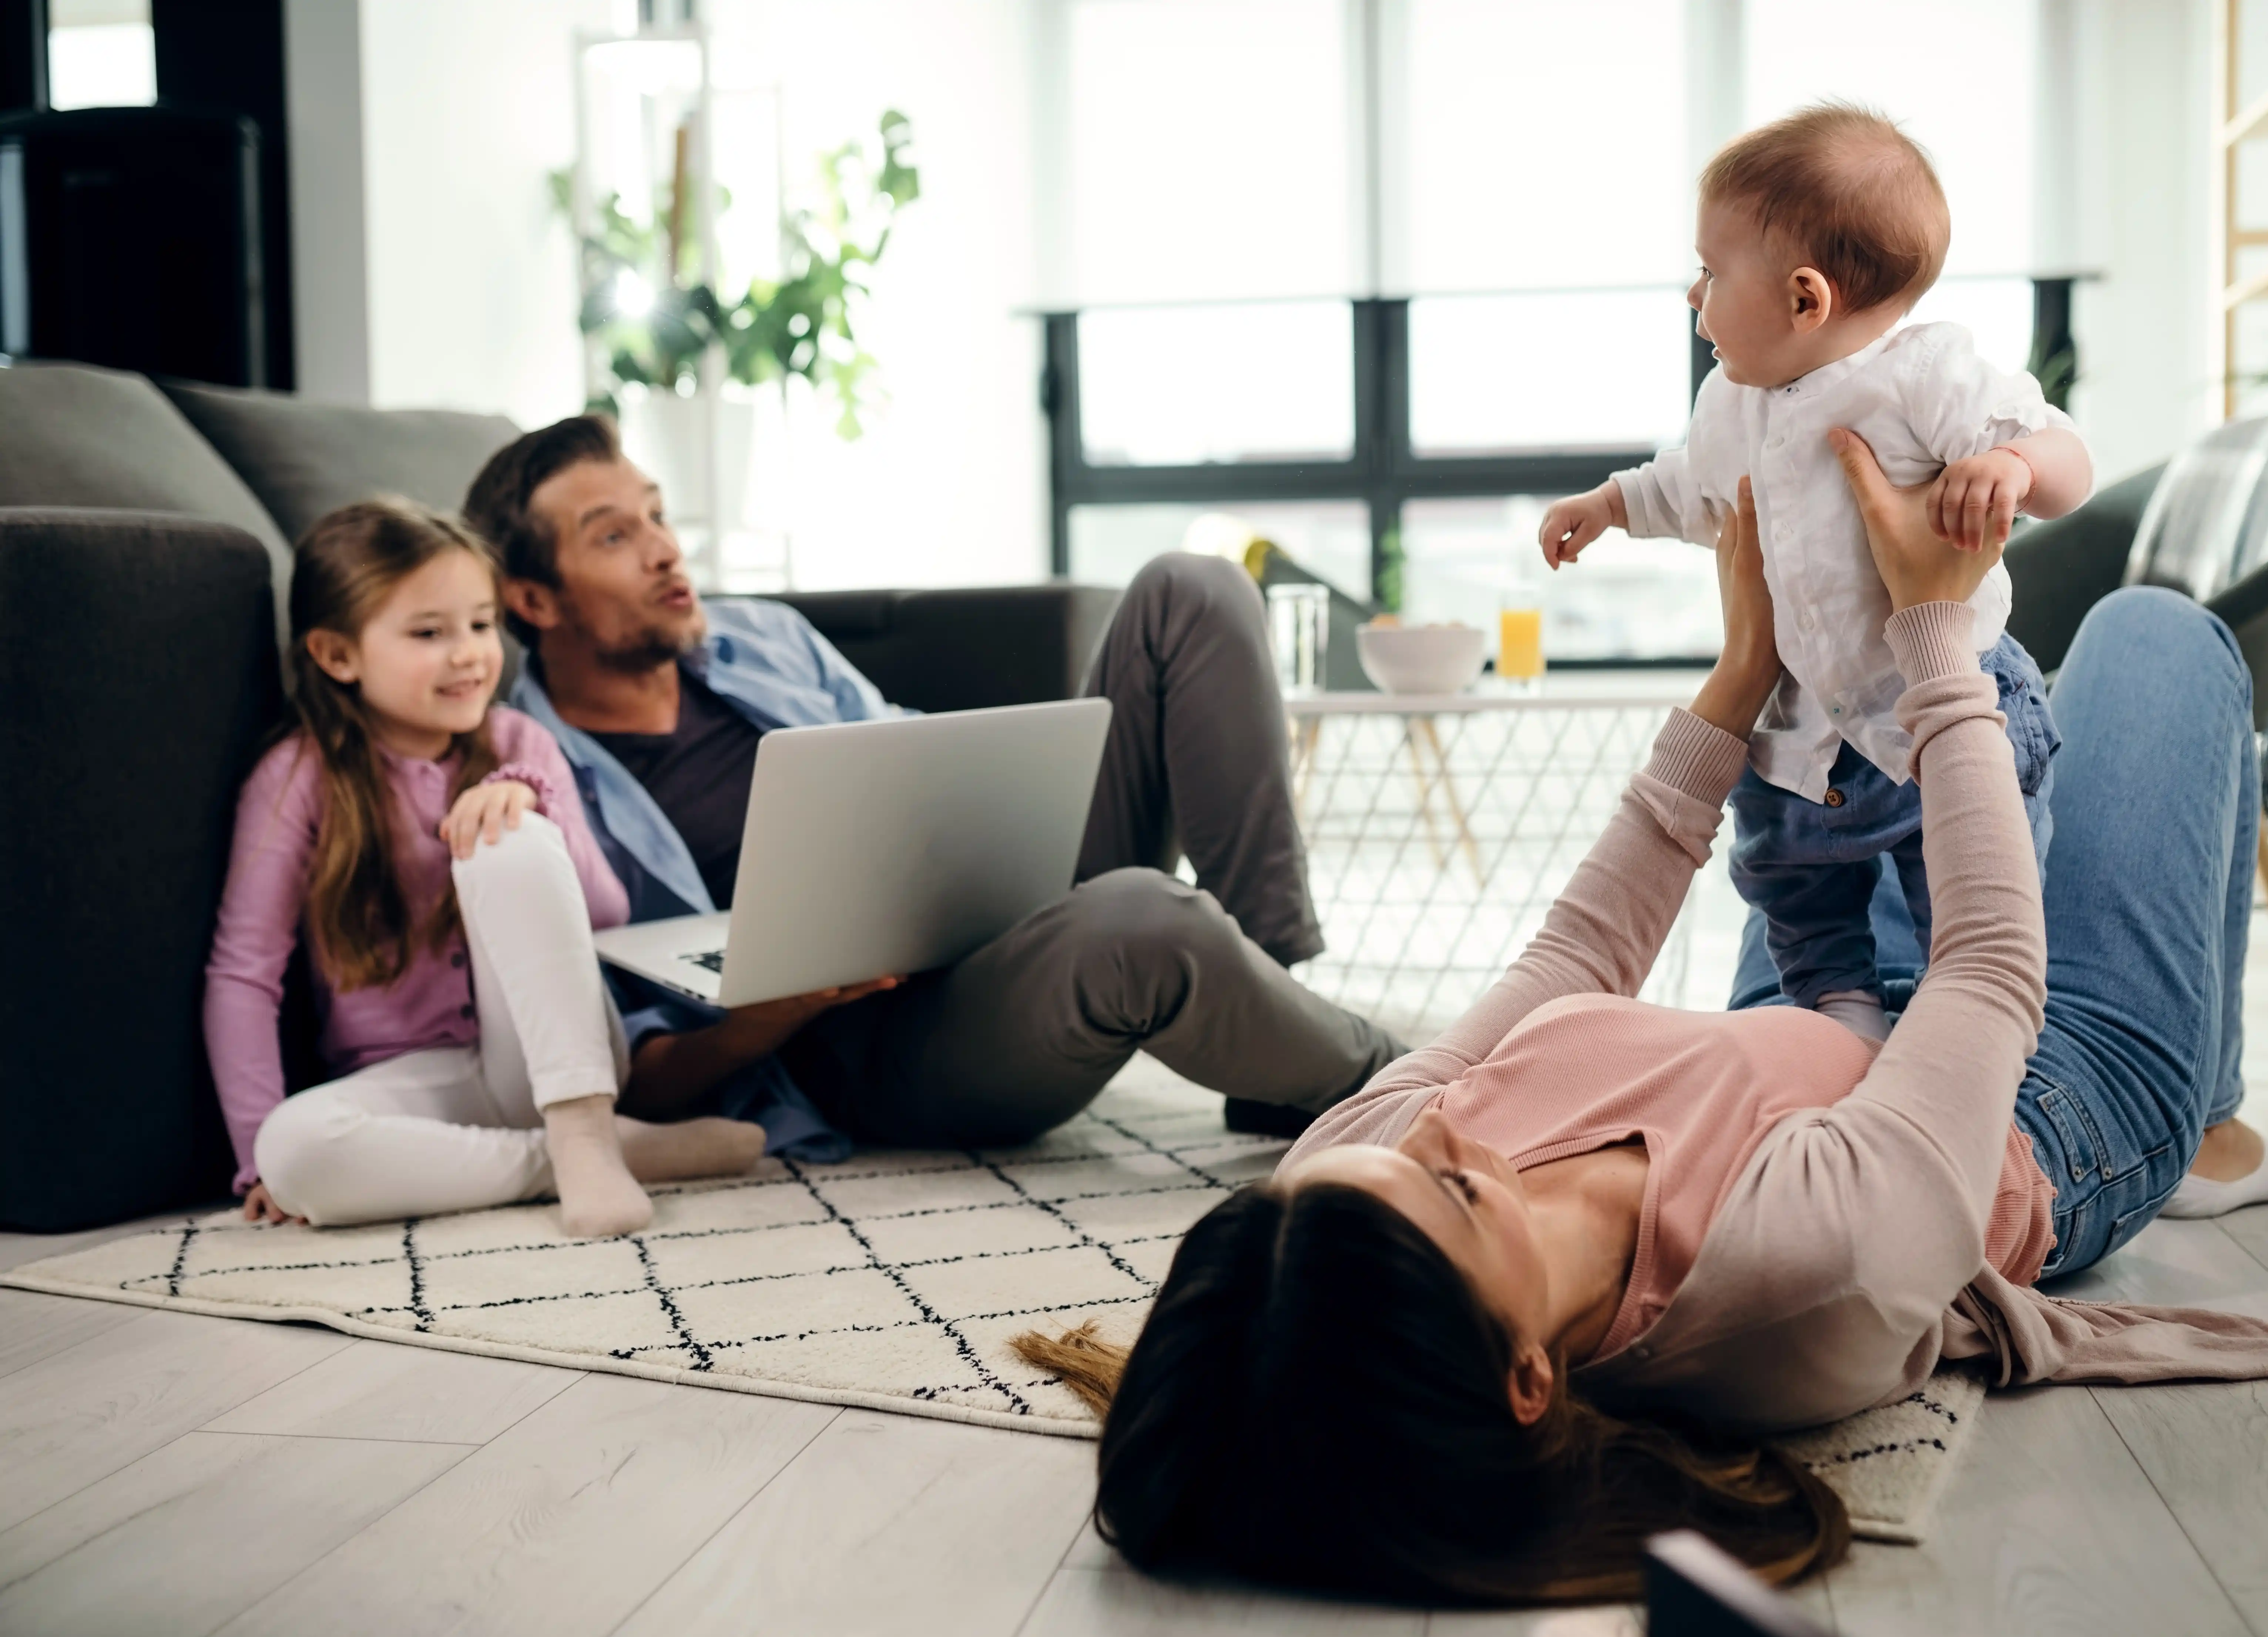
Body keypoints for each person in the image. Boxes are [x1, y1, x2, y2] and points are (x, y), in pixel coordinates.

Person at [1019, 435, 2268, 1606]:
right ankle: (2195, 1117)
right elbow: (1987, 977)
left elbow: (1576, 952)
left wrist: (1740, 677)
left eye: (1399, 1144)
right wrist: (1931, 643)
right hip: (2041, 1098)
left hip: (1803, 1012)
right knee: (2155, 641)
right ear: (1531, 1376)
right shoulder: (1810, 1286)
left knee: (1854, 674)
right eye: (1460, 1188)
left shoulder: (1353, 1177)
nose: (1447, 1115)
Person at [458, 415, 1400, 1159]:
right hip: (883, 1043)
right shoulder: (533, 777)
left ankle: (1276, 1002)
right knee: (1148, 922)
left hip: (980, 900)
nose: (665, 549)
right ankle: (1413, 1082)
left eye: (658, 515)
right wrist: (776, 1007)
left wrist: (993, 789)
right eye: (615, 536)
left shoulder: (763, 637)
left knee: (1192, 588)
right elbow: (636, 1076)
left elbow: (906, 754)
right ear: (533, 600)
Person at [1537, 103, 2093, 1047]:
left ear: (1806, 299)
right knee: (1782, 868)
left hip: (1945, 712)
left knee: (1958, 880)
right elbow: (1687, 486)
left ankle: (1957, 1017)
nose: (1692, 294)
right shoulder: (1732, 400)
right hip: (1807, 723)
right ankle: (1839, 1008)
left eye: (1711, 273)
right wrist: (1610, 504)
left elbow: (2069, 459)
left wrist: (2015, 468)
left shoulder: (1925, 373)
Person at [204, 499, 765, 1237]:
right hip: (423, 1082)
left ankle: (587, 1134)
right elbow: (244, 970)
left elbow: (606, 912)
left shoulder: (518, 740)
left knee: (508, 834)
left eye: (479, 623)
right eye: (430, 633)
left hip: (561, 1059)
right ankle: (594, 1157)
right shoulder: (297, 775)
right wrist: (254, 1158)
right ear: (338, 655)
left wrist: (529, 805)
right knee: (294, 1150)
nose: (469, 652)